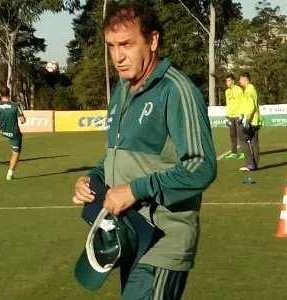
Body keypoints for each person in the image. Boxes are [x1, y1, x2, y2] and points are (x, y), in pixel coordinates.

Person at [71, 2, 217, 299]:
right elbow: (118, 156)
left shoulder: (176, 90)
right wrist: (92, 178)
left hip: (162, 241)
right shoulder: (123, 91)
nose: (118, 56)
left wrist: (136, 190)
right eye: (111, 46)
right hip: (130, 235)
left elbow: (201, 165)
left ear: (152, 41)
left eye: (126, 44)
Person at [0, 86, 26, 180]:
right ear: (9, 94)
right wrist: (22, 120)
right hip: (14, 134)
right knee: (16, 153)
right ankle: (10, 173)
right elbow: (23, 120)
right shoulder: (15, 105)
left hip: (3, 131)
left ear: (0, 95)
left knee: (9, 134)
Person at [238, 72, 261, 171]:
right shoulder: (251, 89)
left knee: (243, 140)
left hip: (251, 120)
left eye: (240, 79)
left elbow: (251, 106)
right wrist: (242, 115)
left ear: (245, 79)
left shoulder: (249, 89)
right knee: (254, 143)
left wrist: (247, 119)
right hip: (256, 120)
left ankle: (250, 163)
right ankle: (255, 164)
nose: (239, 81)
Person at [223, 74, 245, 160]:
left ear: (233, 81)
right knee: (232, 135)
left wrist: (242, 114)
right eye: (226, 81)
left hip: (238, 116)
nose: (227, 82)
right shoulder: (227, 92)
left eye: (228, 80)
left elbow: (243, 102)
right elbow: (228, 104)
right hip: (230, 116)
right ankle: (234, 153)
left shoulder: (239, 90)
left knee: (241, 134)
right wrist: (227, 115)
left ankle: (244, 152)